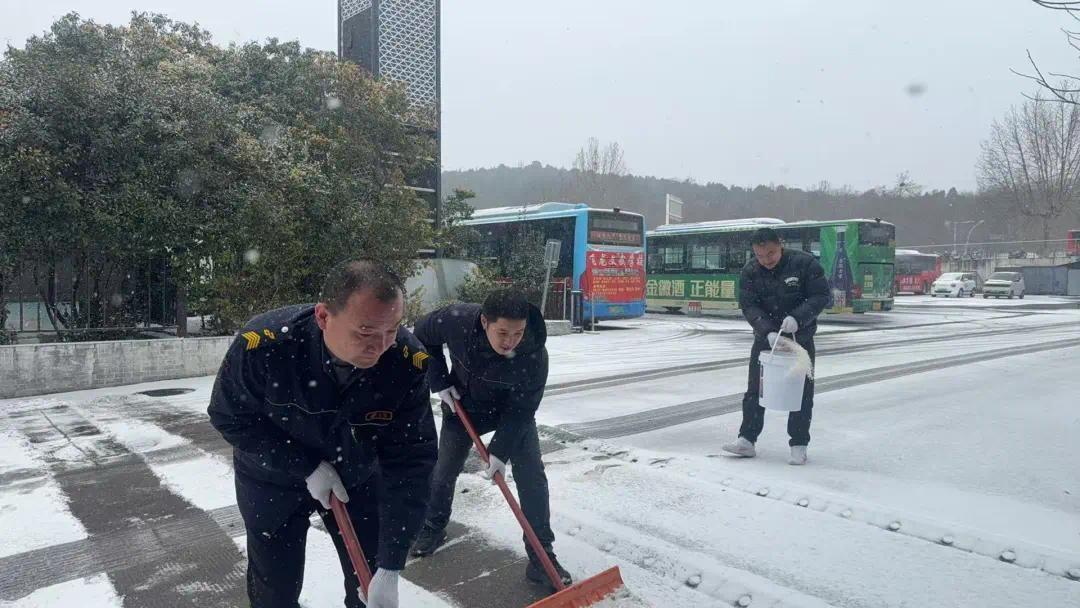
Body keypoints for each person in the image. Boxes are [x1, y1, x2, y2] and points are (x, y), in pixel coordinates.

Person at [208, 260, 438, 608]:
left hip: (356, 478)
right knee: (275, 593)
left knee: (368, 585)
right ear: (323, 317)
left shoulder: (406, 362)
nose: (380, 346)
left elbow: (412, 461)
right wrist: (305, 465)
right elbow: (230, 417)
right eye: (365, 332)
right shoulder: (266, 345)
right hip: (272, 479)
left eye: (391, 330)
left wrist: (391, 566)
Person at [408, 288, 573, 590]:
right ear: (484, 322)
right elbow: (420, 335)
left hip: (511, 414)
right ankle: (433, 527)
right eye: (503, 333)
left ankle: (541, 557)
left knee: (532, 478)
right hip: (463, 406)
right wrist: (439, 380)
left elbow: (524, 409)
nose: (511, 341)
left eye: (518, 333)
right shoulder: (456, 320)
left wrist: (501, 451)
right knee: (443, 471)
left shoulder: (535, 352)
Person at [722, 227, 830, 465]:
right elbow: (749, 305)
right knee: (755, 391)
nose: (766, 260)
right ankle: (746, 440)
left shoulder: (804, 264)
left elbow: (821, 295)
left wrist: (798, 318)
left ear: (779, 245)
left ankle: (799, 444)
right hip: (766, 342)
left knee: (801, 392)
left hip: (799, 341)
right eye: (760, 255)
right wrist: (767, 331)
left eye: (770, 254)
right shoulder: (751, 271)